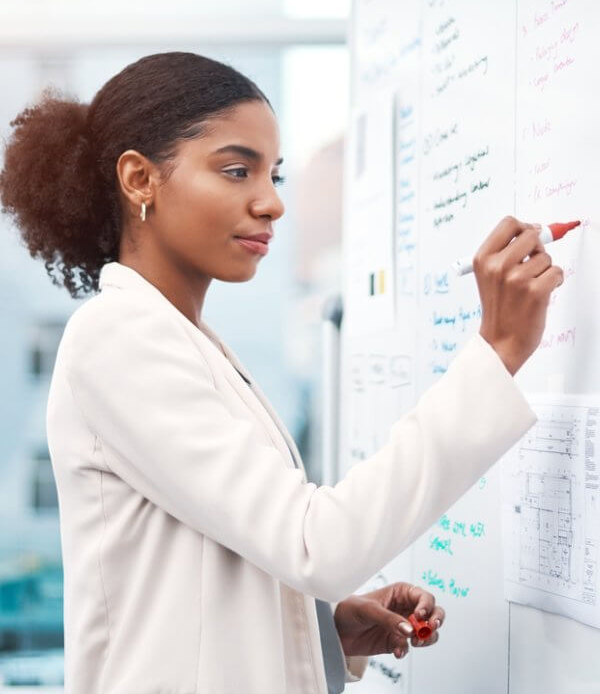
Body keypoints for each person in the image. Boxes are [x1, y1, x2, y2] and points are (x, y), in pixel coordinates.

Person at [0, 52, 563, 694]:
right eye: (237, 170)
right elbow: (315, 544)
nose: (272, 203)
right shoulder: (118, 339)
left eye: (274, 174)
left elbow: (215, 574)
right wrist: (496, 353)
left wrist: (320, 630)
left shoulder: (179, 340)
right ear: (138, 179)